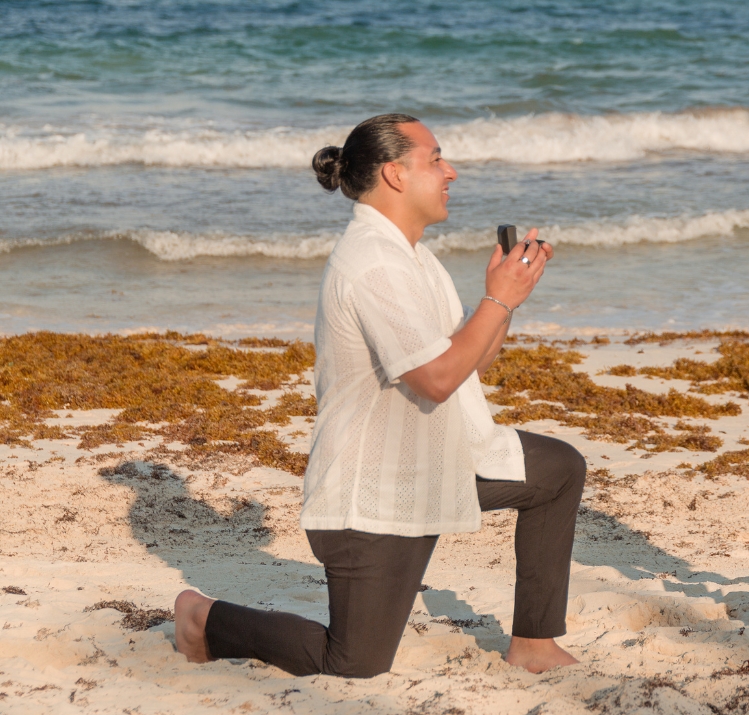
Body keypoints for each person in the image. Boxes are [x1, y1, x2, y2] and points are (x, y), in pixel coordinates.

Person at [173, 113, 586, 677]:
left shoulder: (413, 255)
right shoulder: (372, 262)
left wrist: (506, 301)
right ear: (394, 173)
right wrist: (495, 300)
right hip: (372, 493)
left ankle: (534, 642)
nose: (452, 172)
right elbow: (436, 380)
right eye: (436, 158)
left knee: (556, 469)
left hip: (430, 461)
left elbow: (465, 364)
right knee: (355, 662)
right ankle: (204, 619)